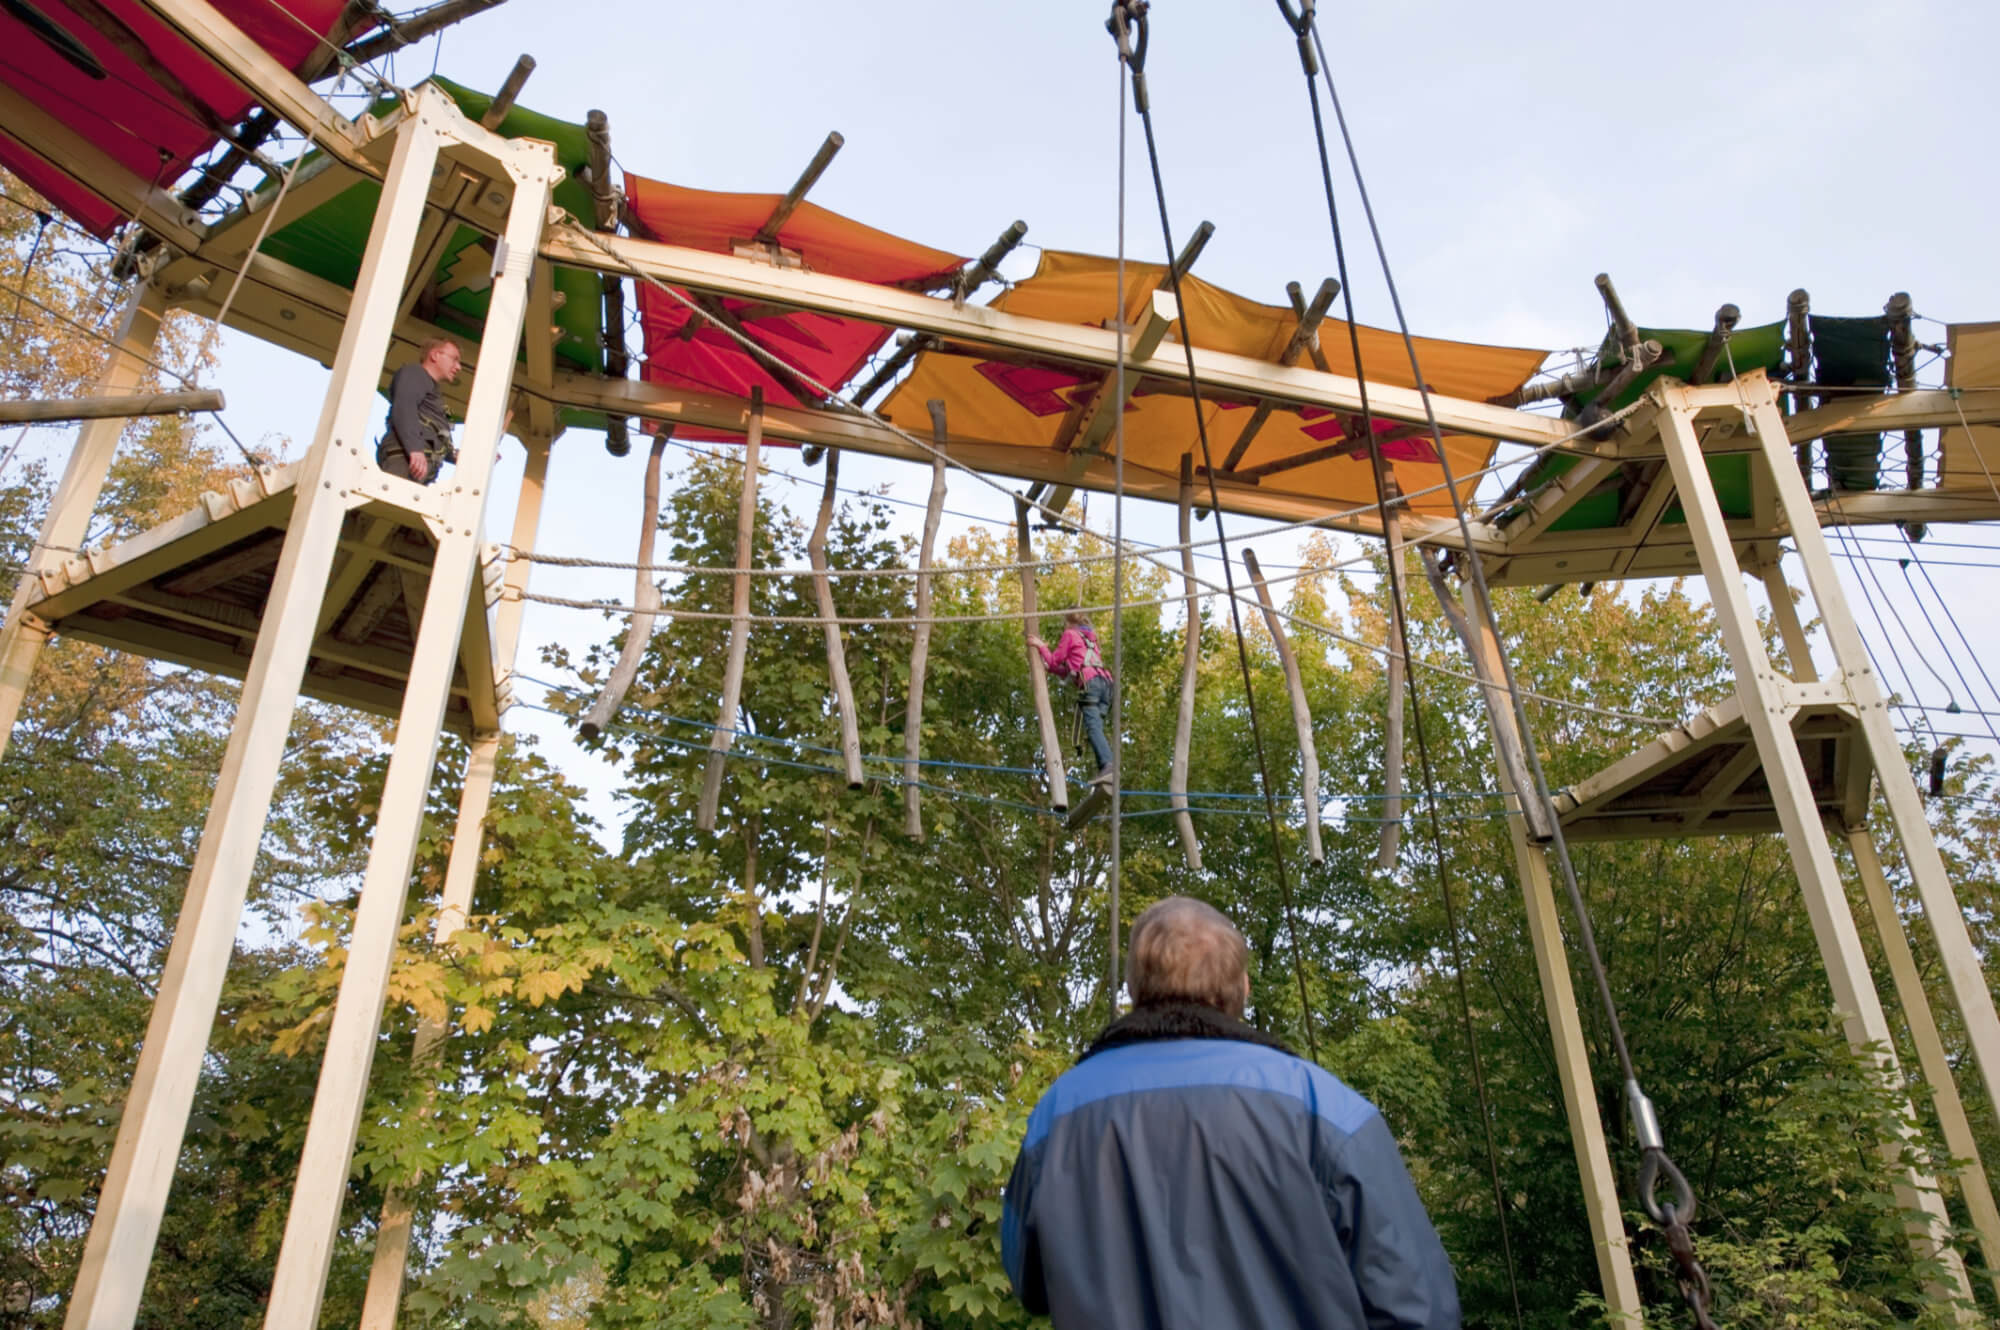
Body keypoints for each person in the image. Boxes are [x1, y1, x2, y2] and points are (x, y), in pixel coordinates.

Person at [1002, 896, 1461, 1330]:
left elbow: (1030, 1282)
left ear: (1133, 988)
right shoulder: (1325, 1108)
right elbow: (1416, 1305)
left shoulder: (1057, 1115)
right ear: (1242, 987)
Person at [1027, 610, 1113, 784]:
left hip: (1090, 683)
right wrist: (1050, 668)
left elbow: (1054, 660)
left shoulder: (1070, 634)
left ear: (1068, 623)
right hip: (1107, 685)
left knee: (1093, 727)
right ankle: (1105, 770)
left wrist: (1040, 645)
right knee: (1095, 729)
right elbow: (1068, 669)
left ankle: (1108, 766)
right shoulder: (1090, 639)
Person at [377, 337, 462, 484]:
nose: (458, 367)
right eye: (454, 359)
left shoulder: (432, 392)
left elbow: (434, 436)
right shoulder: (415, 373)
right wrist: (415, 449)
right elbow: (404, 407)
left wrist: (458, 457)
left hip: (419, 467)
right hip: (405, 460)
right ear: (435, 355)